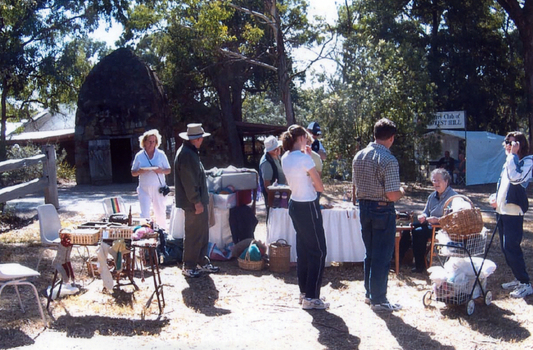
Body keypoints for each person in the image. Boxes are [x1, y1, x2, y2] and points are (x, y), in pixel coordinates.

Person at [352, 118, 404, 312]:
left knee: (371, 253)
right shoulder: (389, 159)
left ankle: (370, 294)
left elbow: (355, 186)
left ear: (374, 134)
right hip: (383, 208)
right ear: (391, 138)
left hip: (364, 207)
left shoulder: (359, 155)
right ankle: (379, 299)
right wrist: (402, 191)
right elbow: (392, 194)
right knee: (382, 255)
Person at [281, 124, 329, 310]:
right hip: (308, 204)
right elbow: (320, 187)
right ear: (301, 138)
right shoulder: (303, 159)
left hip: (295, 204)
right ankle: (312, 296)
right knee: (318, 251)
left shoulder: (285, 157)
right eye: (306, 139)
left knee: (303, 250)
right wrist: (309, 159)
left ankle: (304, 292)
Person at [490, 131, 533, 298]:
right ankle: (518, 278)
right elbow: (504, 184)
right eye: (507, 142)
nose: (508, 146)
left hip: (514, 212)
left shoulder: (528, 161)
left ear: (521, 145)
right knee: (505, 248)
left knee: (512, 248)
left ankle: (525, 283)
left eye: (513, 143)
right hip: (502, 210)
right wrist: (495, 198)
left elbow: (516, 179)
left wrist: (513, 155)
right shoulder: (509, 160)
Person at [174, 123, 219, 278]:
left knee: (202, 233)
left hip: (196, 201)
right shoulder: (187, 154)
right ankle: (189, 265)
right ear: (197, 139)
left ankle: (201, 261)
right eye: (201, 138)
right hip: (192, 203)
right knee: (193, 234)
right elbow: (189, 180)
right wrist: (196, 201)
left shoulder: (190, 152)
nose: (202, 141)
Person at [410, 168, 457, 273]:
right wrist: (422, 216)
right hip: (430, 224)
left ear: (446, 181)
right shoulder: (432, 196)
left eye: (438, 181)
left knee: (418, 232)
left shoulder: (453, 197)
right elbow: (426, 211)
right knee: (410, 227)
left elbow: (454, 219)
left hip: (443, 229)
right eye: (434, 181)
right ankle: (401, 259)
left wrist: (438, 220)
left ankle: (420, 265)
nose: (435, 183)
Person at [131, 129, 171, 230]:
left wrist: (160, 171)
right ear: (144, 142)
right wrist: (140, 171)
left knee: (160, 212)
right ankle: (145, 233)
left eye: (154, 141)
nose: (151, 144)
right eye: (149, 141)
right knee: (144, 213)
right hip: (144, 189)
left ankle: (163, 234)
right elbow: (133, 172)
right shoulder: (139, 156)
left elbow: (168, 170)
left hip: (158, 188)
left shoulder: (160, 154)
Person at [259, 135, 286, 210]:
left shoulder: (276, 157)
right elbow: (267, 184)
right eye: (276, 148)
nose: (279, 150)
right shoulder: (266, 163)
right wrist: (274, 199)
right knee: (273, 216)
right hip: (274, 196)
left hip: (281, 193)